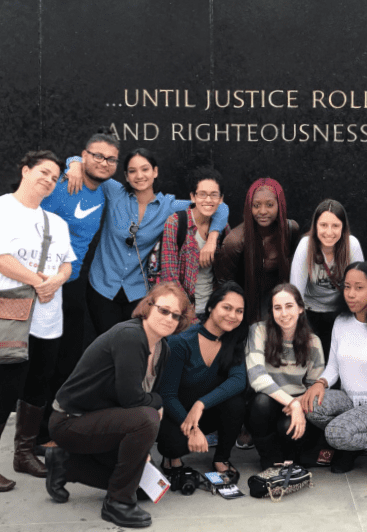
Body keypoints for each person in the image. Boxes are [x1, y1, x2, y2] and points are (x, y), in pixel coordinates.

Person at [45, 283, 193, 528]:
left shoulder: (162, 349)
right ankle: (117, 503)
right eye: (164, 310)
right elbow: (132, 399)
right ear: (148, 307)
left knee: (145, 489)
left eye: (176, 315)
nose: (169, 319)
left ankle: (66, 466)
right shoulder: (131, 335)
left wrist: (142, 447)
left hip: (106, 422)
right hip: (71, 421)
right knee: (147, 418)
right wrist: (157, 403)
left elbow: (136, 403)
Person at [66, 148, 229, 335]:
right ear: (126, 176)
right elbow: (82, 160)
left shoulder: (168, 206)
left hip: (138, 293)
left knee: (134, 349)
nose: (139, 176)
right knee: (107, 347)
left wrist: (212, 239)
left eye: (145, 169)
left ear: (155, 172)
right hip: (102, 288)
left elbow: (220, 206)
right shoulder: (115, 192)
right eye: (133, 171)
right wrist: (75, 165)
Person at [0, 151, 74, 492]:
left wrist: (55, 281)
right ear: (25, 170)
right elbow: (2, 259)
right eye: (43, 172)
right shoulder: (4, 209)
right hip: (11, 314)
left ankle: (24, 453)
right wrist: (37, 280)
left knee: (38, 383)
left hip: (47, 315)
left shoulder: (55, 222)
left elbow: (67, 265)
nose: (49, 179)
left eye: (55, 176)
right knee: (5, 387)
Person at [40, 134, 120, 417]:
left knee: (67, 359)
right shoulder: (60, 183)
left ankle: (53, 427)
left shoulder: (107, 189)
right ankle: (34, 435)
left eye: (110, 159)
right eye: (97, 156)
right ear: (84, 155)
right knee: (41, 361)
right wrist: (71, 164)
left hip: (72, 283)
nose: (103, 162)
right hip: (42, 284)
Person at [300, 261, 367, 477]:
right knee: (309, 405)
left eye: (359, 288)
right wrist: (319, 383)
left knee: (335, 433)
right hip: (350, 400)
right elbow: (333, 367)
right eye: (347, 287)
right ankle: (352, 445)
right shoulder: (341, 322)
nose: (351, 294)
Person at [157, 281, 247, 484]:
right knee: (172, 445)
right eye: (227, 307)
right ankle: (172, 459)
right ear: (210, 307)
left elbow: (239, 380)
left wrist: (201, 404)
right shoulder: (181, 341)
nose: (233, 315)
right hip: (177, 414)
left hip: (206, 412)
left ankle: (222, 458)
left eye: (239, 311)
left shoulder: (234, 340)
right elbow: (168, 395)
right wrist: (193, 430)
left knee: (236, 403)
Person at [245, 284, 325, 468]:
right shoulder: (259, 331)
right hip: (269, 400)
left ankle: (291, 456)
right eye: (277, 308)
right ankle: (268, 457)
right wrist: (292, 403)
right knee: (260, 404)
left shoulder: (313, 342)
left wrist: (298, 404)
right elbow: (256, 376)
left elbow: (314, 385)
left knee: (287, 426)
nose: (284, 313)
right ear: (271, 311)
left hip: (296, 403)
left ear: (300, 308)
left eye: (289, 306)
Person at [215, 177, 300, 324]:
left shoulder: (290, 230)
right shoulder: (235, 241)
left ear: (279, 206)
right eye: (256, 205)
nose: (262, 211)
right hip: (246, 308)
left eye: (269, 205)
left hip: (279, 305)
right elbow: (224, 287)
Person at [290, 199, 363, 359]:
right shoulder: (305, 245)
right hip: (310, 312)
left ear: (343, 227)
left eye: (335, 225)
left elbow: (360, 291)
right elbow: (296, 294)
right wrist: (299, 330)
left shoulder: (352, 245)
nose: (329, 232)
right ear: (315, 226)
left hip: (340, 312)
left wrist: (358, 327)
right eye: (323, 225)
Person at [159, 167, 230, 315]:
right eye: (202, 194)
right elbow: (169, 277)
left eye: (213, 195)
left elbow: (227, 270)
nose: (208, 200)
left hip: (213, 312)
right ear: (193, 196)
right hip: (183, 313)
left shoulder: (222, 227)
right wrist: (188, 315)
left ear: (221, 198)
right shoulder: (176, 223)